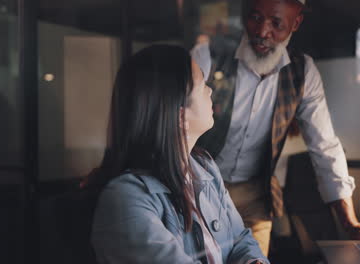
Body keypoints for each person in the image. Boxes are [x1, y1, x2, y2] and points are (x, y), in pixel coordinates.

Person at [192, 0, 360, 256]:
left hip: (257, 197)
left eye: (276, 23)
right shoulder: (207, 55)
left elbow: (325, 146)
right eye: (255, 17)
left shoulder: (303, 72)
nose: (262, 31)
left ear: (296, 22)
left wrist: (349, 222)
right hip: (200, 188)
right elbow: (174, 125)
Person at [87, 44, 269, 264]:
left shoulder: (204, 168)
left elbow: (240, 239)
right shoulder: (125, 199)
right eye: (202, 85)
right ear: (180, 116)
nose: (210, 90)